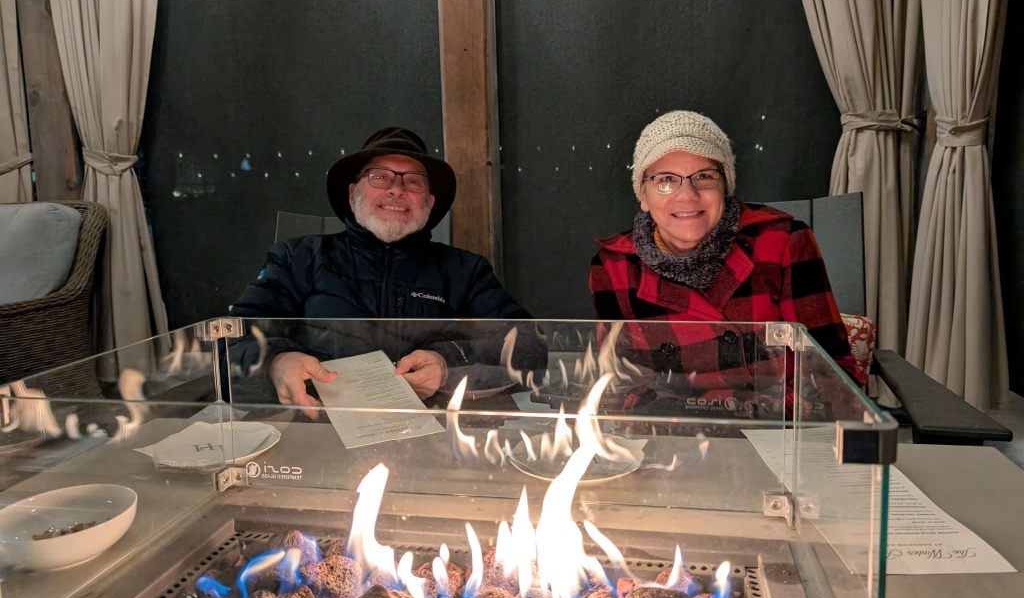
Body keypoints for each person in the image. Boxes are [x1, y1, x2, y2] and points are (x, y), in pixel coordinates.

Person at [231, 127, 536, 418]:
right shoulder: (296, 258)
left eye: (414, 181)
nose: (397, 189)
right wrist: (276, 362)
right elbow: (231, 339)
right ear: (353, 194)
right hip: (317, 428)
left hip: (441, 436)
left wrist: (448, 362)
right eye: (379, 176)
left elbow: (529, 346)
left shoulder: (466, 270)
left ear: (429, 202)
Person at [589, 110, 860, 416]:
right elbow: (619, 387)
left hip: (777, 431)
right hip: (672, 435)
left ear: (725, 186)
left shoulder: (784, 242)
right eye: (665, 180)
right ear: (643, 194)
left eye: (704, 176)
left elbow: (832, 376)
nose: (687, 196)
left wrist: (743, 409)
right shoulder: (614, 266)